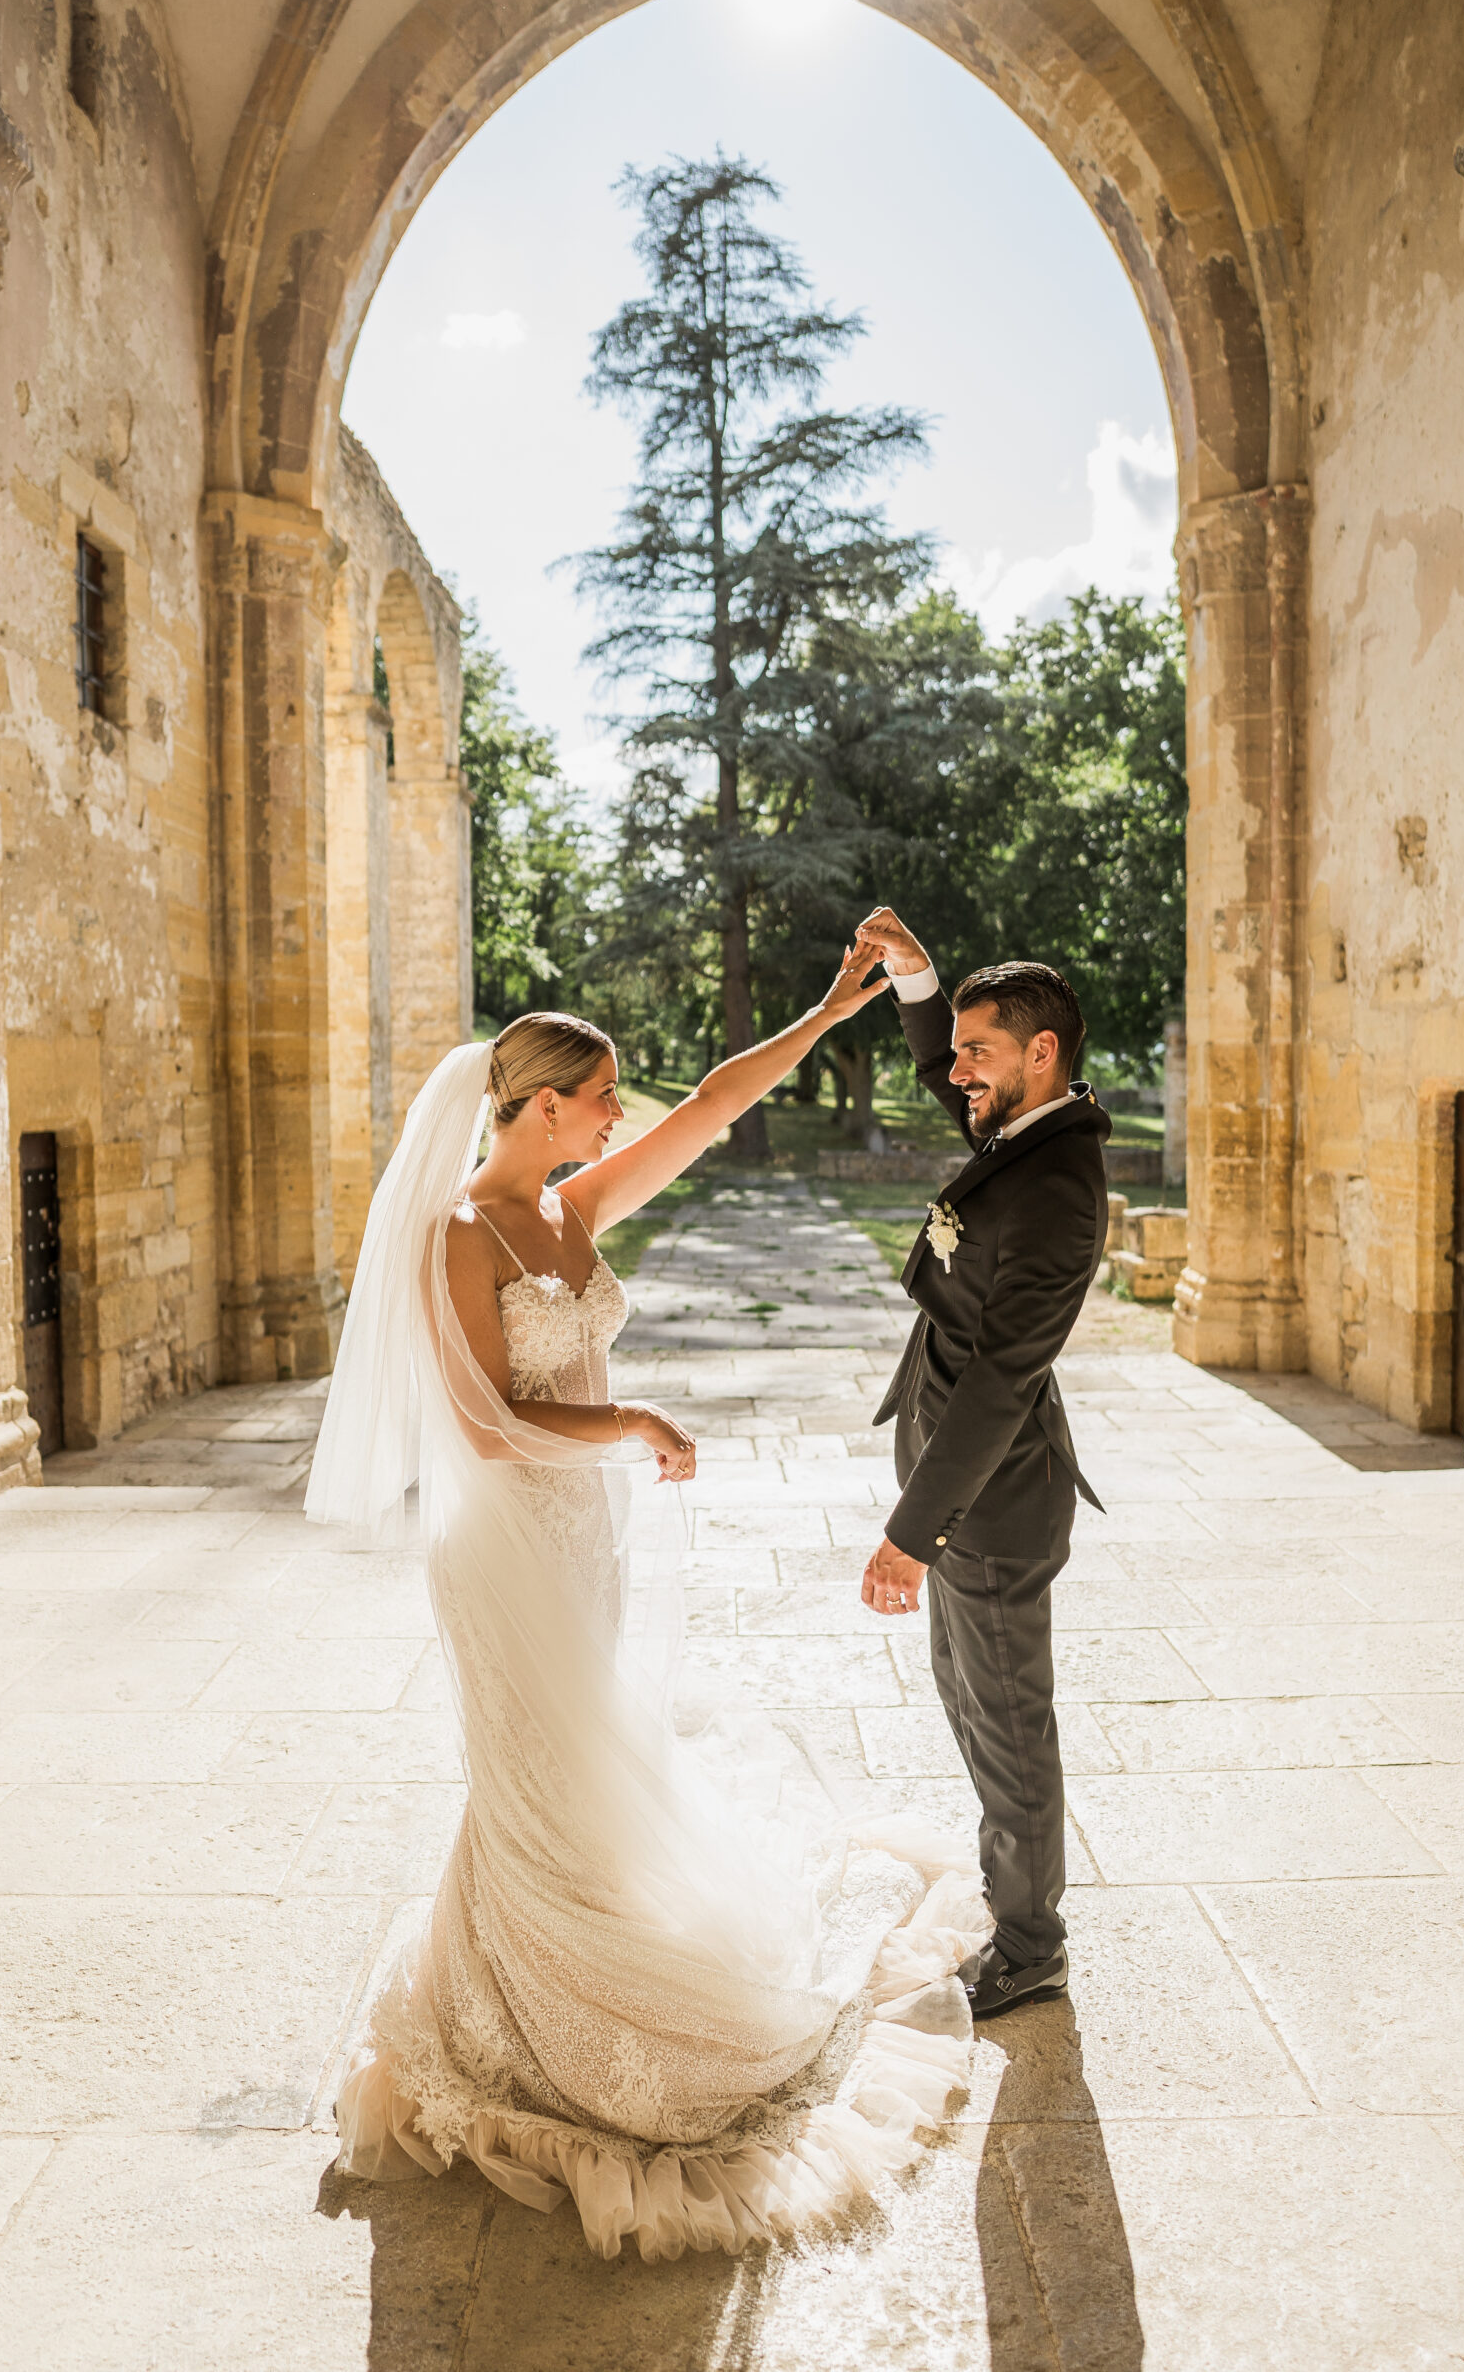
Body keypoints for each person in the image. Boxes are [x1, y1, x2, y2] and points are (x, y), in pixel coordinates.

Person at [304, 943, 991, 2263]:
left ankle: (548, 1977)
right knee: (534, 1776)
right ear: (540, 1102)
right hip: (504, 1543)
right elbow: (488, 1431)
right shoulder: (459, 1233)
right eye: (601, 1093)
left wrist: (828, 1006)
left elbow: (712, 1109)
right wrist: (629, 1417)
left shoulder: (570, 1206)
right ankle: (532, 2025)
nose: (620, 1112)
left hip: (582, 1534)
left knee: (584, 1770)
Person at [852, 907, 1111, 2020]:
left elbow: (1006, 1376)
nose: (953, 1072)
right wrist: (916, 976)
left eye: (976, 1051)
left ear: (1040, 1053)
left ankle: (1031, 1941)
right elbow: (939, 1066)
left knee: (1008, 1720)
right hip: (959, 1480)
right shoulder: (1022, 1129)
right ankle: (1012, 1884)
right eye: (956, 1049)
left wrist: (913, 1532)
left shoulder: (1059, 1188)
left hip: (991, 1506)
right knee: (966, 1699)